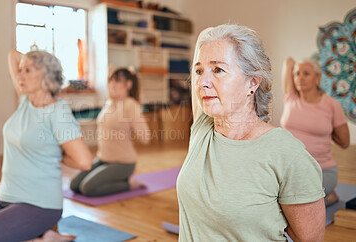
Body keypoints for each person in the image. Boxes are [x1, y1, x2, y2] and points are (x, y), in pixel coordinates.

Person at [176, 24, 326, 241]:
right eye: (199, 71)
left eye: (218, 70)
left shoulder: (287, 153)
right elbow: (202, 40)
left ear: (253, 82)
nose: (202, 82)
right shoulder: (203, 127)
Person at [0, 49, 93, 241]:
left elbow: (85, 162)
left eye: (28, 71)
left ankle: (43, 232)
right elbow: (12, 54)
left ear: (46, 75)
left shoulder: (57, 114)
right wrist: (33, 63)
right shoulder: (25, 101)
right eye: (21, 70)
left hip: (39, 205)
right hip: (5, 196)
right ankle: (45, 236)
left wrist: (55, 153)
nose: (20, 75)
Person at [280, 57, 350, 206]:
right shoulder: (291, 97)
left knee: (296, 204)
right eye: (297, 74)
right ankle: (324, 199)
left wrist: (324, 130)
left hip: (322, 171)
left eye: (306, 73)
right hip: (290, 170)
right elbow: (289, 62)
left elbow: (345, 142)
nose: (300, 78)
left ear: (318, 78)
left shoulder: (332, 105)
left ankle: (328, 197)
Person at [70, 68, 150, 197]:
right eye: (111, 81)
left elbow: (145, 138)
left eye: (117, 81)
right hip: (103, 159)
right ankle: (116, 179)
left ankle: (129, 184)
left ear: (128, 84)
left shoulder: (131, 105)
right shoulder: (109, 103)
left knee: (87, 188)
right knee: (74, 185)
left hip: (123, 163)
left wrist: (135, 125)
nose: (112, 84)